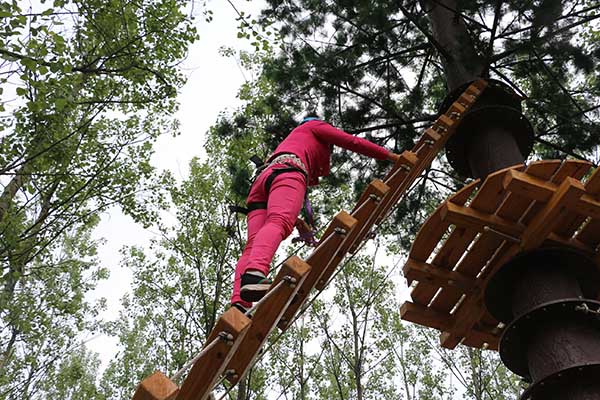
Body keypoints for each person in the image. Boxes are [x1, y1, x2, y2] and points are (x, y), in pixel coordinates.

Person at [231, 114, 399, 313]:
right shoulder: (314, 126)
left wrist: (298, 221)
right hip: (288, 171)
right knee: (279, 222)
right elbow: (352, 141)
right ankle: (254, 273)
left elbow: (277, 195)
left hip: (262, 182)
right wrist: (391, 157)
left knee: (253, 243)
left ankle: (239, 305)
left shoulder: (290, 142)